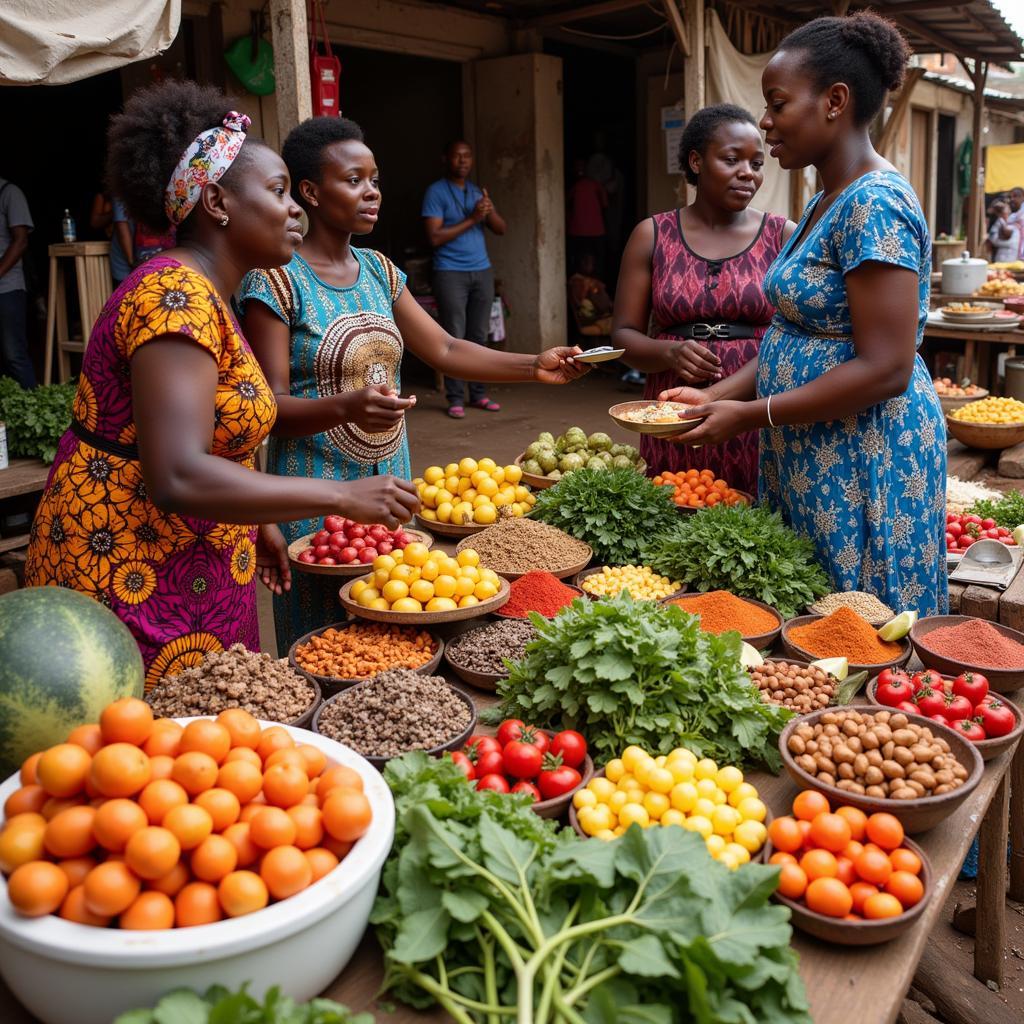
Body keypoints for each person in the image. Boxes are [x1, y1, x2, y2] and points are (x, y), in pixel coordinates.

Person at [25, 81, 422, 689]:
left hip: (200, 555)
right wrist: (339, 496)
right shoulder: (173, 298)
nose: (295, 210)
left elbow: (210, 438)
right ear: (216, 203)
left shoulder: (210, 295)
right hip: (130, 566)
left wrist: (252, 513)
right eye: (279, 191)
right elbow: (178, 473)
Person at [241, 116, 589, 651]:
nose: (371, 191)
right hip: (314, 492)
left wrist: (532, 366)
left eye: (374, 179)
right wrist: (345, 408)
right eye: (353, 180)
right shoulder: (276, 282)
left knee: (393, 626)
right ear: (309, 192)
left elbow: (446, 348)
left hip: (391, 483)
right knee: (323, 643)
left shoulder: (380, 271)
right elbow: (269, 407)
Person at [660, 12, 946, 616]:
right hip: (813, 444)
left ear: (835, 102)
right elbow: (794, 337)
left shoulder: (874, 204)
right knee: (811, 618)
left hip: (864, 453)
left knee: (859, 624)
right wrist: (719, 396)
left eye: (777, 103)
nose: (765, 123)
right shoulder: (824, 200)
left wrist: (751, 415)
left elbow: (887, 367)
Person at [612, 105, 792, 496]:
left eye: (757, 163)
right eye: (732, 159)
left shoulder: (781, 236)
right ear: (695, 161)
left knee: (750, 522)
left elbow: (792, 337)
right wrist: (667, 354)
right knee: (675, 502)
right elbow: (623, 335)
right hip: (674, 409)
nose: (748, 172)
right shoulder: (653, 234)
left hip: (753, 405)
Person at [422, 140, 507, 418]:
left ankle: (479, 394)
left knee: (478, 336)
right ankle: (455, 398)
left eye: (467, 156)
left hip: (481, 270)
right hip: (450, 272)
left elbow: (501, 228)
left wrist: (487, 209)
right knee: (453, 336)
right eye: (457, 156)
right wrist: (473, 218)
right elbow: (434, 237)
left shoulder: (475, 190)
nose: (463, 161)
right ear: (445, 158)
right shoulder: (436, 192)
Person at [0, 174, 36, 389]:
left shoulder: (9, 193)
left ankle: (33, 405)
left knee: (13, 353)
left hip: (7, 288)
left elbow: (21, 241)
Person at [567, 158, 607, 280]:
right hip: (592, 231)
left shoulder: (575, 186)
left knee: (579, 259)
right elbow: (605, 205)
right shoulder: (594, 185)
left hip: (579, 231)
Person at [568, 251, 613, 338]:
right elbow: (579, 304)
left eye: (591, 262)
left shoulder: (591, 281)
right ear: (579, 263)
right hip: (590, 320)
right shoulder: (577, 282)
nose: (589, 264)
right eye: (585, 261)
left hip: (599, 316)